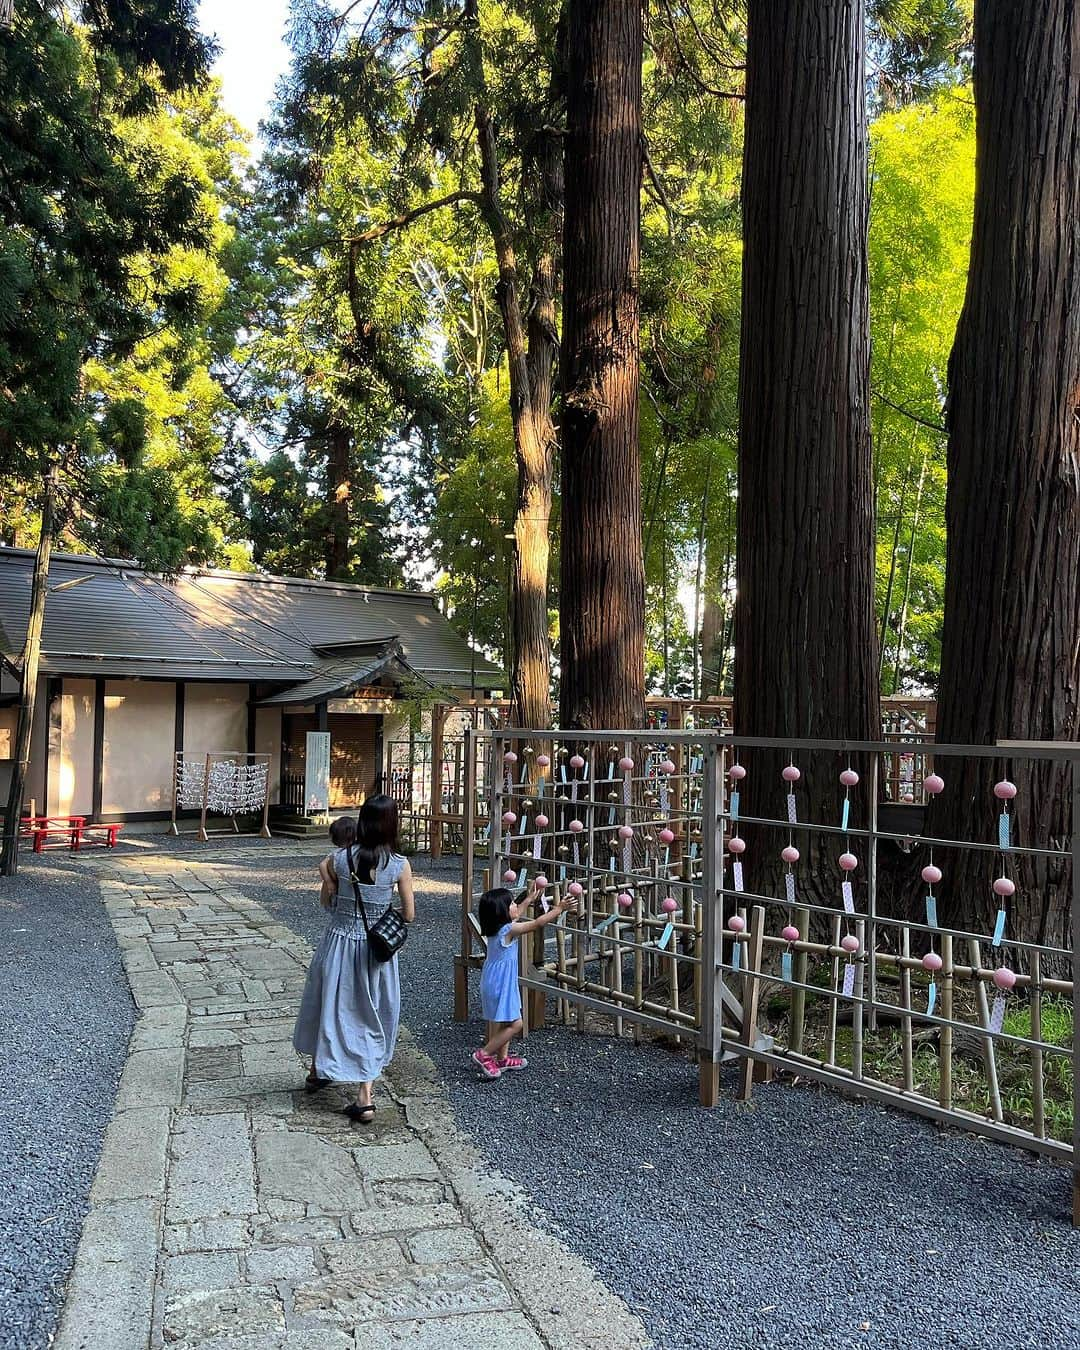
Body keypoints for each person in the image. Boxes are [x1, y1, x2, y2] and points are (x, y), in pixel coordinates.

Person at [292, 794, 414, 1122]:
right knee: (371, 1014)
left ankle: (320, 1069)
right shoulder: (400, 864)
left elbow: (325, 902)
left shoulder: (340, 858)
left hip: (338, 942)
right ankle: (365, 1095)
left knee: (329, 1004)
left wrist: (331, 883)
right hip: (375, 951)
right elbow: (410, 914)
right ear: (391, 824)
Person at [472, 881, 574, 1080]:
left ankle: (502, 1060)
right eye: (511, 904)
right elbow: (538, 924)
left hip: (496, 981)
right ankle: (484, 1054)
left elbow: (517, 913)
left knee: (506, 1019)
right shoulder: (509, 930)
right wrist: (559, 909)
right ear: (502, 912)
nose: (515, 907)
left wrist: (528, 899)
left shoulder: (496, 928)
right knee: (516, 1024)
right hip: (501, 984)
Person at [318, 816, 356, 908]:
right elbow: (322, 865)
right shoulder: (337, 854)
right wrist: (329, 881)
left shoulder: (340, 852)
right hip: (336, 889)